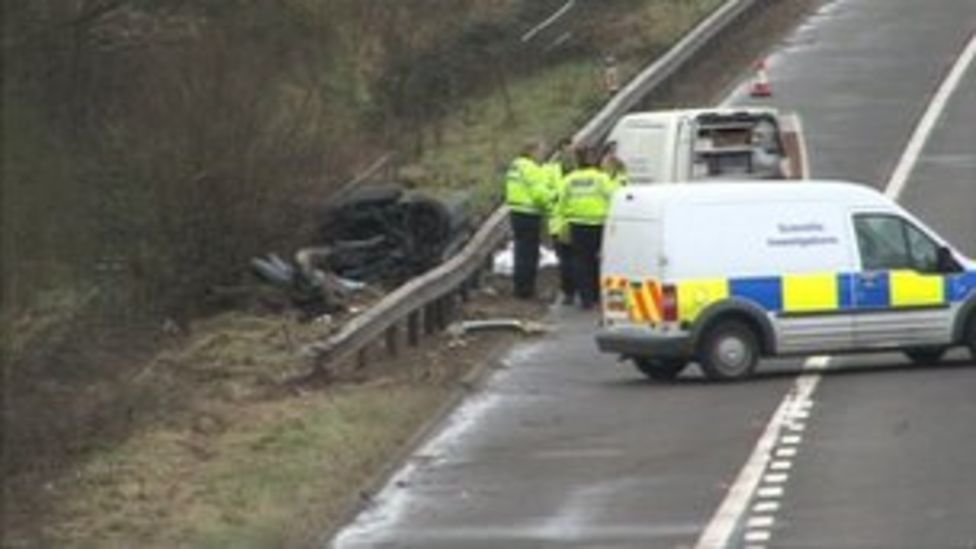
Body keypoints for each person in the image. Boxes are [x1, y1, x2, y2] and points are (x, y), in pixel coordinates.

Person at [558, 145, 621, 309]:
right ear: (592, 159)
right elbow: (614, 195)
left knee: (580, 260)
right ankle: (596, 295)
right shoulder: (600, 178)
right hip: (599, 223)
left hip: (577, 223)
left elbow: (561, 202)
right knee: (598, 260)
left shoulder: (569, 179)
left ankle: (585, 298)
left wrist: (563, 225)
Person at [505, 139, 552, 299]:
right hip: (529, 213)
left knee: (520, 251)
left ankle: (520, 287)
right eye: (541, 150)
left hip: (516, 212)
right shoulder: (531, 168)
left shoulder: (515, 165)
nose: (543, 154)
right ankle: (527, 290)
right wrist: (555, 200)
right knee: (529, 253)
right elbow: (538, 193)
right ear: (532, 151)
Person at [546, 138, 577, 305]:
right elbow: (544, 191)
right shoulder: (550, 171)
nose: (568, 154)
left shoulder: (580, 170)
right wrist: (554, 198)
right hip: (559, 221)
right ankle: (569, 291)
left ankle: (577, 290)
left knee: (577, 258)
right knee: (566, 259)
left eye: (571, 151)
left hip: (577, 220)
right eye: (566, 150)